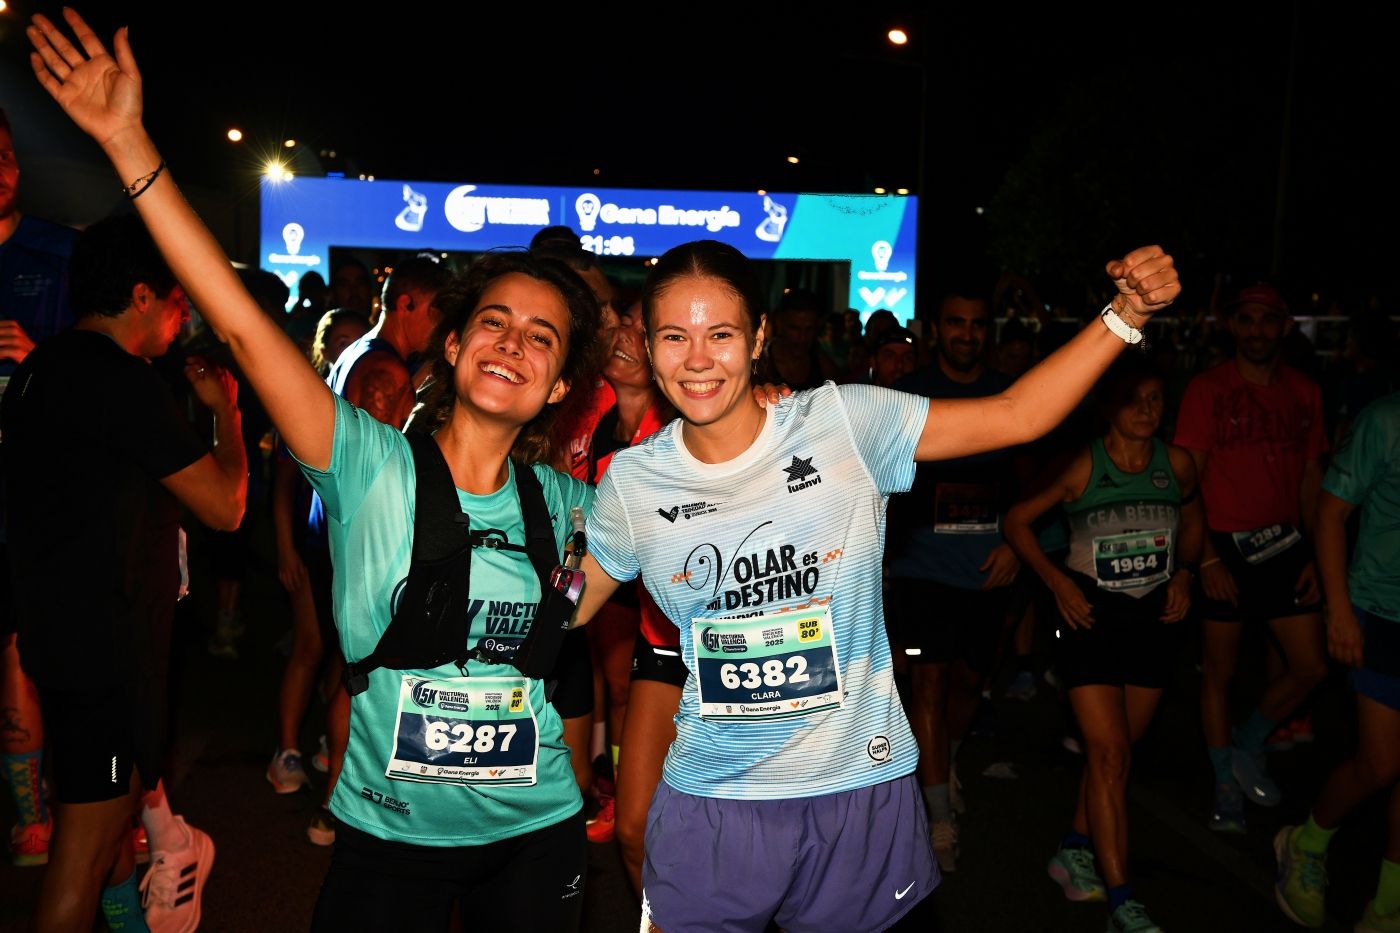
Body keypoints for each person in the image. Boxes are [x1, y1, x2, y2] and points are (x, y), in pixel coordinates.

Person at [28, 12, 604, 930]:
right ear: (451, 347)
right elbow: (249, 333)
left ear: (559, 384)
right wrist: (130, 144)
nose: (513, 344)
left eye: (543, 338)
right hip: (387, 840)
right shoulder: (369, 462)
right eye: (493, 321)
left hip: (538, 838)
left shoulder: (578, 505)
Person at [572, 238, 1180, 932]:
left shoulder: (843, 422)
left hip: (858, 792)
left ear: (759, 335)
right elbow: (572, 603)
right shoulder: (633, 481)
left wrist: (1125, 314)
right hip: (713, 805)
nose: (700, 358)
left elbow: (1018, 413)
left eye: (722, 334)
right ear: (648, 347)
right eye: (676, 336)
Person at [3, 208, 246, 932]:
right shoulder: (122, 383)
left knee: (108, 834)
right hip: (106, 650)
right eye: (175, 298)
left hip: (55, 634)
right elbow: (227, 505)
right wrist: (225, 413)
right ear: (142, 295)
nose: (180, 316)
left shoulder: (41, 367)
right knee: (79, 863)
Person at [1005, 358, 1203, 933]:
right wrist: (1058, 581)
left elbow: (1194, 520)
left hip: (1154, 618)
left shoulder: (1178, 466)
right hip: (1088, 616)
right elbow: (1017, 521)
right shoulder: (1081, 464)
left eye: (1157, 399)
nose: (1147, 410)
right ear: (1108, 405)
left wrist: (1188, 572)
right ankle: (1123, 901)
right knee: (1112, 756)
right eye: (1135, 399)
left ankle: (1074, 845)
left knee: (1113, 756)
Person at [1173, 282, 1330, 832]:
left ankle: (1247, 742)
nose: (1257, 330)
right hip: (1225, 549)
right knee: (1218, 672)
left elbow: (1312, 480)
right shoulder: (1206, 390)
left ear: (1285, 327)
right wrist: (1207, 559)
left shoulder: (1306, 391)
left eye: (1268, 321)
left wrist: (1316, 553)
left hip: (1286, 548)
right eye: (1247, 320)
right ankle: (1223, 783)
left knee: (1311, 665)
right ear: (1232, 327)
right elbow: (1185, 481)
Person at [884, 285, 1023, 872]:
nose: (966, 334)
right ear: (937, 329)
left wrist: (1018, 545)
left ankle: (947, 764)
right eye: (955, 322)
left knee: (968, 686)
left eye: (977, 324)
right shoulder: (911, 396)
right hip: (921, 571)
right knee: (930, 690)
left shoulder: (1009, 397)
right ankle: (937, 816)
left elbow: (1035, 479)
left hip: (988, 571)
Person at [557, 296, 677, 876]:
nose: (624, 335)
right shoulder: (593, 420)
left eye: (639, 326)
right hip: (614, 590)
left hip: (691, 618)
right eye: (618, 325)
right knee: (616, 684)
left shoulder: (688, 421)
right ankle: (625, 783)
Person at [1274, 390, 1400, 931]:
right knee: (1381, 765)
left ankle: (1388, 903)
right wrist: (1339, 610)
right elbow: (1329, 512)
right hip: (1383, 611)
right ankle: (1305, 842)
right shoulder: (1387, 418)